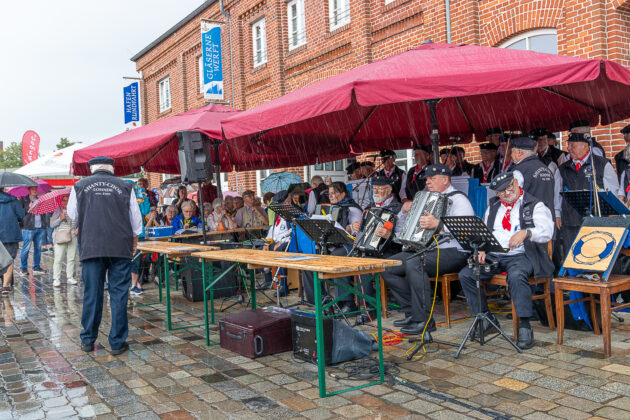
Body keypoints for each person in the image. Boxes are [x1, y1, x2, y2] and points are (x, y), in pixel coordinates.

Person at [458, 172, 554, 349]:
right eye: (500, 192)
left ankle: (525, 325)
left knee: (517, 275)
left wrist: (527, 232)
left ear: (516, 183)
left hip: (522, 255)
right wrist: (481, 249)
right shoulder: (493, 206)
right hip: (495, 254)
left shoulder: (534, 205)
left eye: (508, 188)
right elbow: (484, 233)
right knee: (467, 275)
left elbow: (547, 230)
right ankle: (486, 318)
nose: (506, 194)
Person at [382, 164, 474, 334]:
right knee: (387, 266)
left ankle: (424, 320)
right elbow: (409, 226)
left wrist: (438, 225)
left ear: (445, 179)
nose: (427, 181)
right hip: (427, 248)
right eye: (427, 179)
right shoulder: (426, 198)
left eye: (432, 178)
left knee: (415, 263)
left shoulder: (459, 199)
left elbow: (466, 230)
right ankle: (412, 312)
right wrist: (403, 212)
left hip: (454, 251)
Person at [67, 156, 142, 355]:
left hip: (92, 246)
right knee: (119, 294)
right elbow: (136, 221)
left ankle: (88, 339)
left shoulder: (80, 186)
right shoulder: (126, 186)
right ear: (111, 168)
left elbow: (72, 215)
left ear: (91, 169)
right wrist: (133, 243)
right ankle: (117, 343)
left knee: (92, 293)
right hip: (119, 247)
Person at [558, 133, 623, 256]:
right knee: (572, 255)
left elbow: (613, 191)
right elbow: (557, 193)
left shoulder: (602, 164)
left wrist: (612, 213)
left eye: (573, 145)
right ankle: (572, 275)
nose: (568, 148)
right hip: (570, 220)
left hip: (596, 219)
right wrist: (557, 214)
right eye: (568, 145)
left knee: (593, 253)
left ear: (585, 146)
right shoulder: (563, 168)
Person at [349, 176, 403, 323]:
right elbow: (363, 232)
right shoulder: (368, 207)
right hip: (370, 248)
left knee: (364, 263)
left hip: (392, 249)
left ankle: (369, 310)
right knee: (354, 259)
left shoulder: (398, 208)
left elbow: (404, 235)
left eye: (380, 188)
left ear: (389, 190)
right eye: (374, 188)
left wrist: (389, 236)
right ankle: (352, 304)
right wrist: (356, 228)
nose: (376, 191)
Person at [302, 182, 362, 306]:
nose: (331, 196)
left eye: (334, 193)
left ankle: (346, 303)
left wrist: (349, 227)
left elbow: (358, 229)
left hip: (349, 246)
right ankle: (317, 300)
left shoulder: (352, 208)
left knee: (336, 257)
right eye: (329, 194)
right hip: (331, 245)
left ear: (343, 194)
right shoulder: (329, 208)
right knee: (309, 258)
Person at [510, 136, 556, 218]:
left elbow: (512, 198)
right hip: (548, 219)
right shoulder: (546, 168)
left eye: (512, 151)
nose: (511, 155)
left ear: (519, 152)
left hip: (529, 220)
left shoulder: (518, 171)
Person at [262, 190, 293, 288]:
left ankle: (283, 285)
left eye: (279, 204)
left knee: (280, 251)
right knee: (260, 250)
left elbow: (292, 232)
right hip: (275, 242)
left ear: (287, 202)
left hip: (289, 243)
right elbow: (272, 231)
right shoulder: (277, 216)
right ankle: (268, 279)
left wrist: (281, 241)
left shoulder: (292, 213)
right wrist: (266, 243)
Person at [0, 188, 25, 294]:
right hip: (11, 234)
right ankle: (6, 285)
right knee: (9, 259)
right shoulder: (13, 200)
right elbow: (21, 216)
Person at [19, 186, 48, 275]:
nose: (35, 191)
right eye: (33, 189)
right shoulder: (24, 200)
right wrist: (28, 207)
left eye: (36, 189)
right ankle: (23, 268)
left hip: (40, 227)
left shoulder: (40, 200)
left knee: (38, 249)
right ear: (29, 190)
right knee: (26, 249)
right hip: (28, 228)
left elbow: (44, 213)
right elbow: (20, 213)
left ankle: (36, 267)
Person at [51, 195, 78, 287]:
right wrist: (60, 219)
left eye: (68, 200)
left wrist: (78, 229)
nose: (66, 202)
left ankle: (70, 277)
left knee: (71, 257)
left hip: (73, 235)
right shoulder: (58, 210)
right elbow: (51, 224)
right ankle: (56, 278)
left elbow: (79, 222)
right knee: (59, 258)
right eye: (64, 200)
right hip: (60, 236)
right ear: (61, 201)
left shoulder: (75, 210)